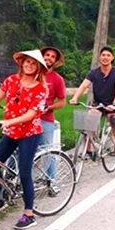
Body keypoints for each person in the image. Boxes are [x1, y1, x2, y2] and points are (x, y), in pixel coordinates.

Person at [0, 49, 48, 230]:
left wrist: (6, 121)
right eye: (26, 62)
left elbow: (30, 115)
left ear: (39, 68)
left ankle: (29, 214)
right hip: (12, 132)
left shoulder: (41, 88)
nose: (29, 65)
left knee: (24, 173)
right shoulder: (11, 81)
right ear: (21, 63)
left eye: (33, 63)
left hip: (30, 133)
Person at [69, 46, 115, 177]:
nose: (105, 57)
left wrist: (114, 104)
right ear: (99, 57)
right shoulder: (93, 73)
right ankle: (89, 149)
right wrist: (75, 97)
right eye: (103, 55)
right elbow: (84, 85)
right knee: (89, 122)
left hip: (113, 105)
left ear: (112, 58)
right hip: (98, 103)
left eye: (108, 55)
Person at [39, 46, 67, 179]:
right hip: (26, 119)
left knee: (47, 151)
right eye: (47, 55)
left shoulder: (57, 79)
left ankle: (52, 181)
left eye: (52, 56)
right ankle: (11, 179)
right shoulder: (32, 73)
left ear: (55, 61)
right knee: (17, 149)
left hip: (45, 119)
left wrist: (48, 108)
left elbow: (62, 102)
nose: (49, 58)